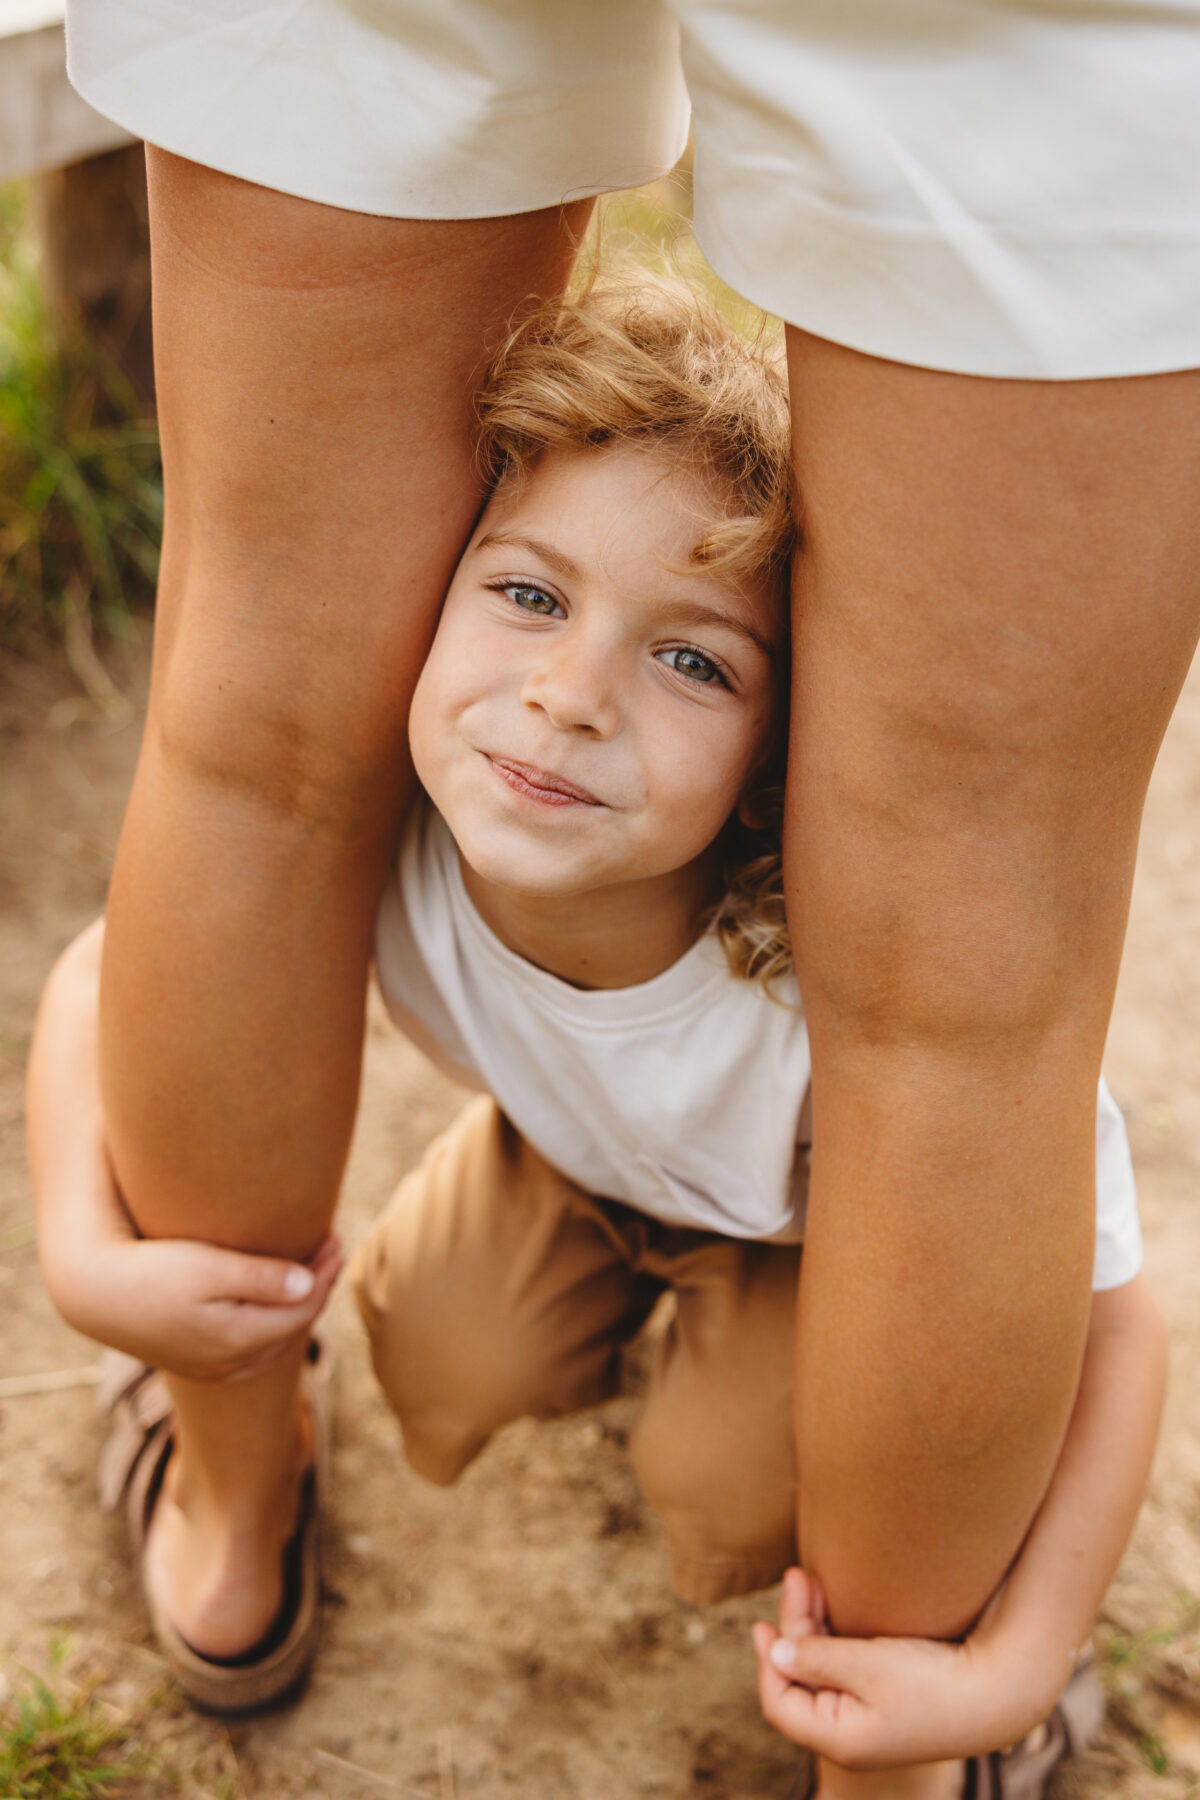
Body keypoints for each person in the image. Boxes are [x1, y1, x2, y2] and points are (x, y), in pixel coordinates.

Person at [30, 281, 1167, 1798]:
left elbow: (1115, 1321)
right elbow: (108, 971)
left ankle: (981, 1667)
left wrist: (1017, 1649)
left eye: (692, 661)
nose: (567, 700)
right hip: (572, 1166)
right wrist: (82, 1254)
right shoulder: (394, 846)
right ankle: (272, 1436)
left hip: (823, 1245)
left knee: (721, 1486)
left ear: (782, 758)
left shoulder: (824, 1006)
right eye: (528, 594)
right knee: (436, 1343)